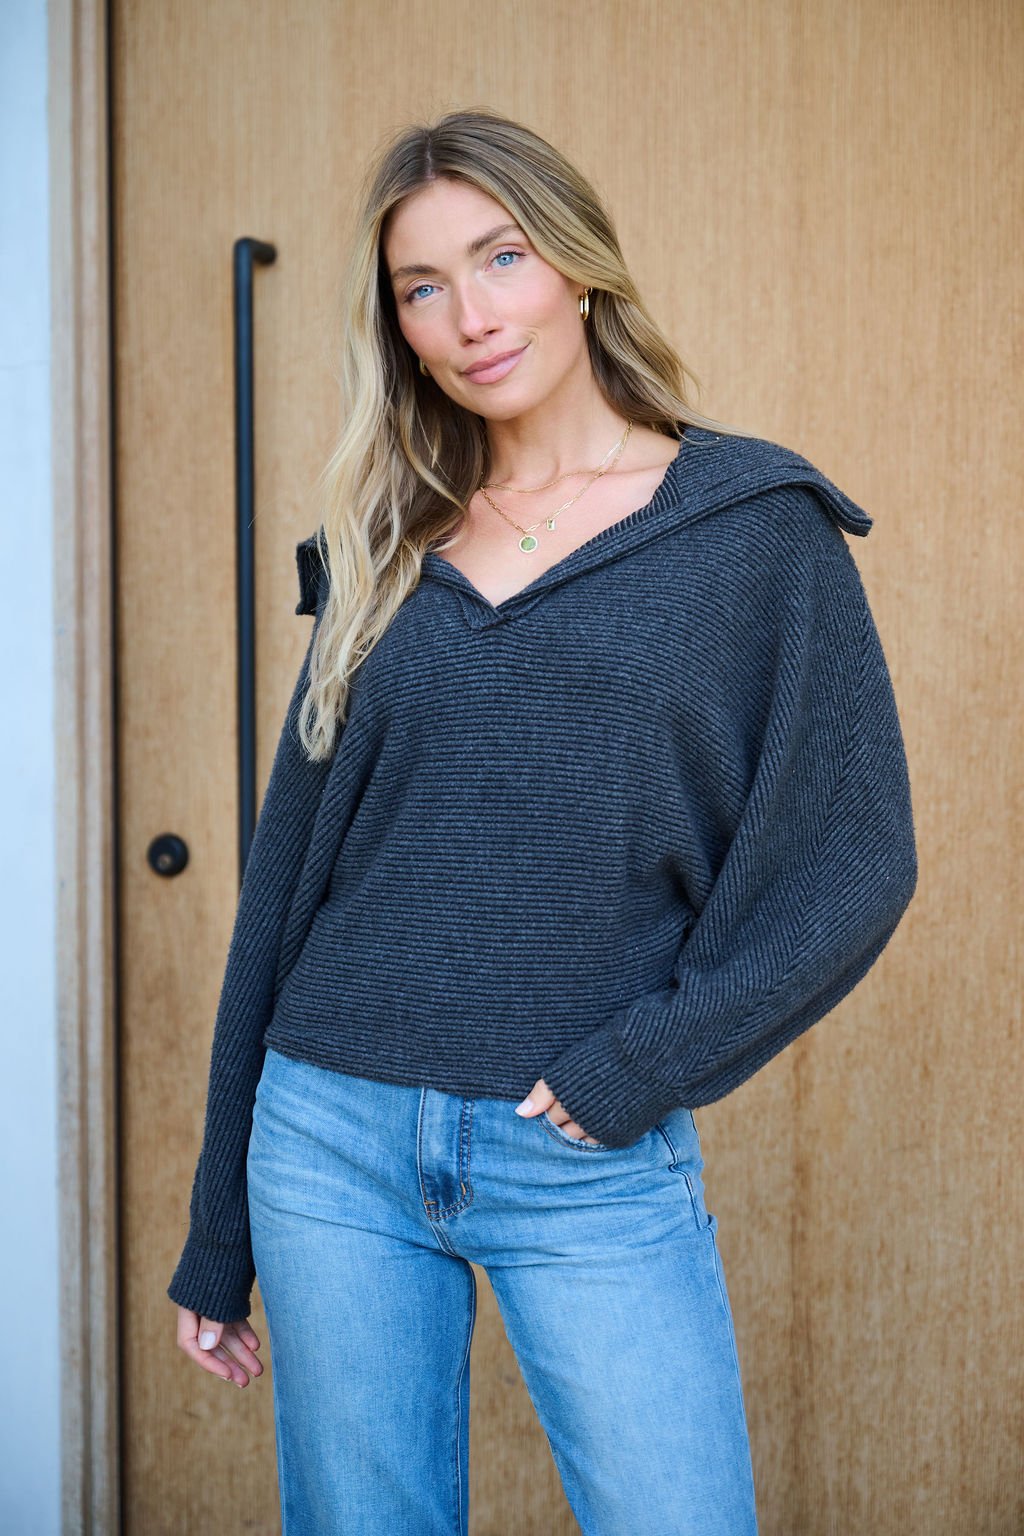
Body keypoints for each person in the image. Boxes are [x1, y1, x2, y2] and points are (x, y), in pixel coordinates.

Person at [168, 107, 917, 1535]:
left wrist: (646, 1060)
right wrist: (220, 1229)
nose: (468, 316)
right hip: (329, 1139)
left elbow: (858, 863)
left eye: (500, 257)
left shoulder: (753, 527)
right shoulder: (388, 541)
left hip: (582, 1152)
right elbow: (283, 891)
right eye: (421, 287)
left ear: (577, 267)